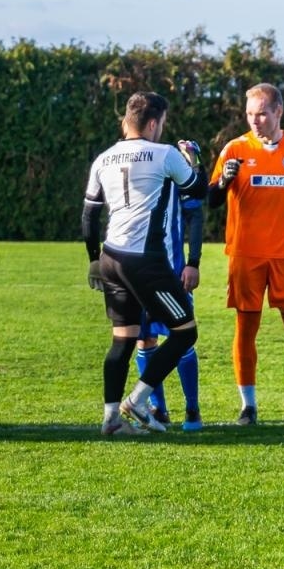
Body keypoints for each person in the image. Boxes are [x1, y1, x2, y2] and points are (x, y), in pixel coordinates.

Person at [83, 92, 209, 436]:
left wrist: (94, 260)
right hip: (144, 262)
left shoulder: (103, 158)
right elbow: (198, 189)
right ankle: (138, 400)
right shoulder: (165, 154)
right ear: (153, 123)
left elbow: (89, 217)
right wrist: (194, 159)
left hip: (110, 258)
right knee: (185, 332)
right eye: (162, 123)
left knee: (123, 340)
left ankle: (111, 419)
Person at [208, 83, 284, 426]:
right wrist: (223, 182)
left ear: (278, 112)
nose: (255, 120)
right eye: (249, 114)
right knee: (246, 330)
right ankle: (248, 406)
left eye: (261, 113)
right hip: (246, 255)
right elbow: (211, 199)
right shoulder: (234, 149)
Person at [137, 164, 205, 430]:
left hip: (173, 273)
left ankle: (192, 408)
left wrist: (193, 262)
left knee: (182, 338)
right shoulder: (128, 171)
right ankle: (158, 409)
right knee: (144, 340)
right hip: (138, 272)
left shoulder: (172, 169)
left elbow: (195, 214)